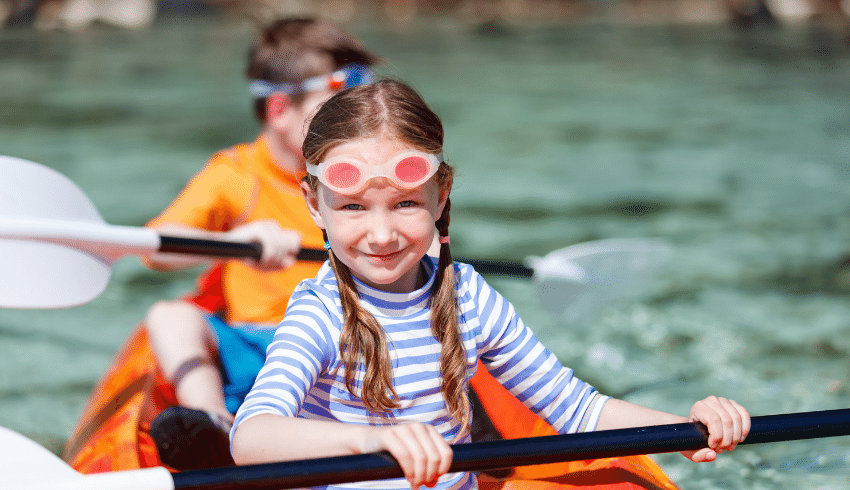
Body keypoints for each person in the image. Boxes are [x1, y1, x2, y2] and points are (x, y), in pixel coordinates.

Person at [230, 79, 751, 490]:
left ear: (442, 193)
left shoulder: (467, 296)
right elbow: (251, 437)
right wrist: (374, 442)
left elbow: (575, 408)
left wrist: (684, 429)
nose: (382, 234)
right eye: (353, 208)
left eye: (406, 203)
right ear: (312, 204)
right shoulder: (320, 313)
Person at [141, 16, 380, 470]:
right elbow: (157, 249)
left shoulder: (363, 176)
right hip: (253, 348)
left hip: (343, 346)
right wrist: (234, 241)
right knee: (168, 316)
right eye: (337, 110)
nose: (359, 126)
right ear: (278, 111)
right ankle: (213, 425)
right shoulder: (237, 175)